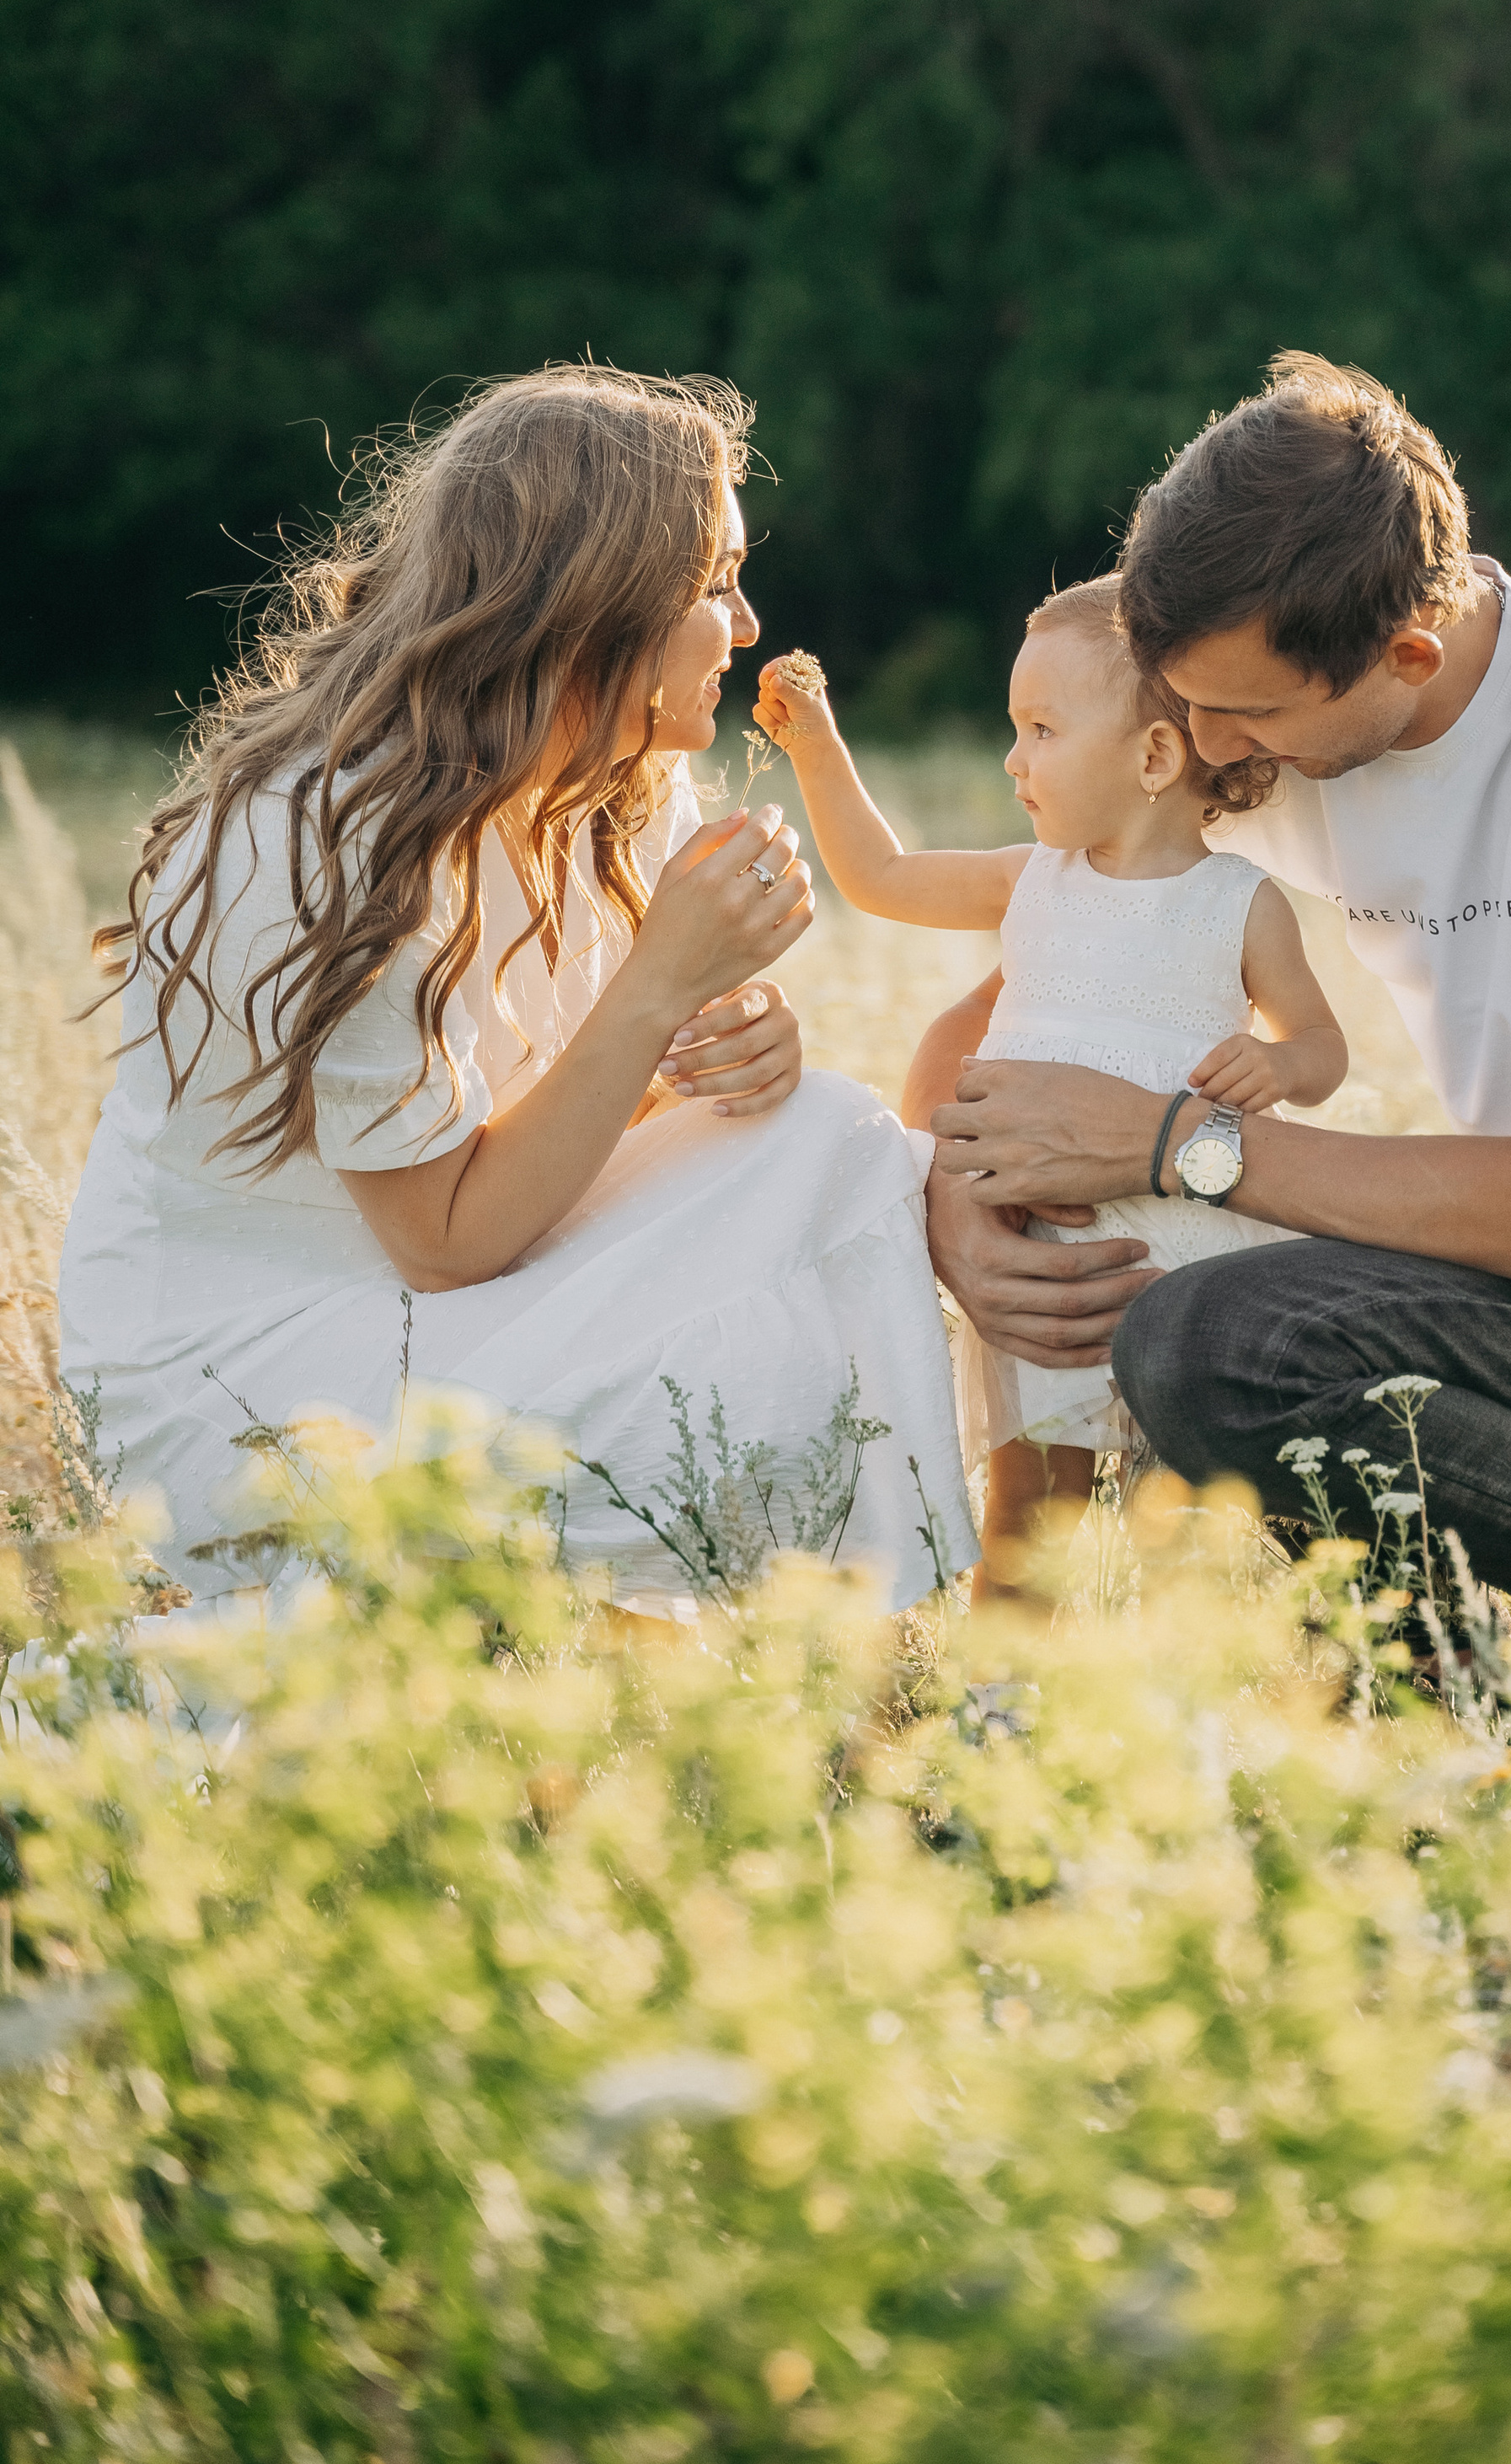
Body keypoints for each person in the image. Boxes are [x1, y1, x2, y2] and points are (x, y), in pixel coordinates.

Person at [913, 353, 1511, 1622]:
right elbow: (993, 1024)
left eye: (1248, 714)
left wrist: (1177, 1147)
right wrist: (962, 1227)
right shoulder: (1262, 733)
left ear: (1408, 652)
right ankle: (1422, 1686)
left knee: (1211, 1337)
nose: (1213, 754)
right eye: (1194, 711)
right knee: (1196, 1313)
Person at [58, 366, 977, 1610]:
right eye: (714, 586)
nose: (750, 624)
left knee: (836, 1137)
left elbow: (583, 1100)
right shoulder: (327, 835)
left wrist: (731, 1040)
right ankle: (853, 1642)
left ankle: (899, 1639)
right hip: (259, 1374)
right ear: (592, 606)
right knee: (781, 1319)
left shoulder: (621, 785)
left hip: (466, 1292)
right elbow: (447, 1241)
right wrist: (659, 993)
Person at [756, 579, 1347, 1595]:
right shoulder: (1032, 879)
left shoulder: (1240, 905)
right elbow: (880, 878)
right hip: (1045, 1264)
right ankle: (1001, 1705)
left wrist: (1281, 1064)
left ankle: (1170, 1720)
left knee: (1187, 1524)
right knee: (1033, 1507)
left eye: (1039, 731)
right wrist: (816, 744)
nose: (1012, 759)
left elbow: (1322, 1047)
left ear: (1155, 760)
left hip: (1187, 1255)